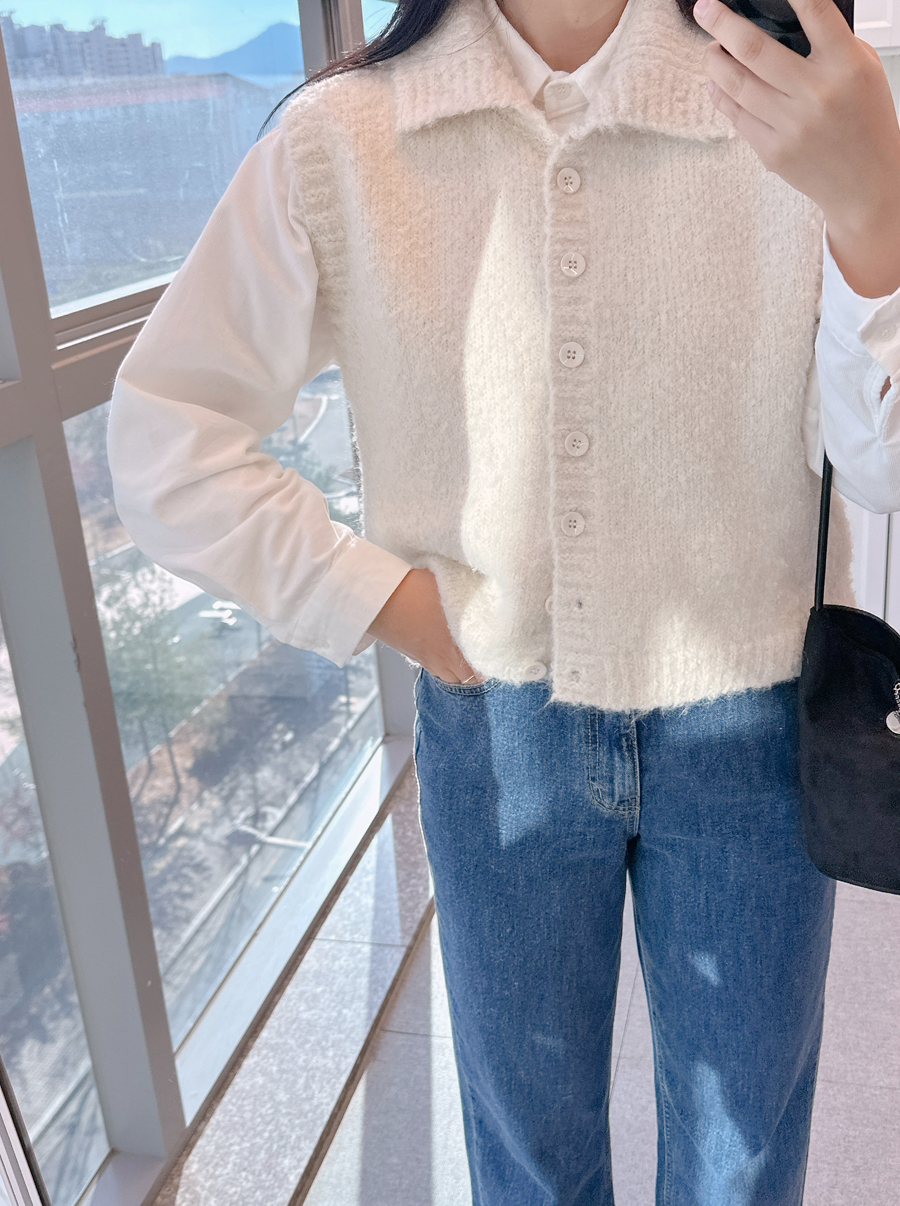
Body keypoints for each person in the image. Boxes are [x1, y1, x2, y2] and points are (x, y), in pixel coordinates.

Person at [107, 0, 900, 1201]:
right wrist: (384, 601)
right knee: (529, 1160)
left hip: (756, 724)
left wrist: (873, 214)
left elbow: (881, 469)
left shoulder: (792, 95)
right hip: (497, 727)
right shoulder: (344, 138)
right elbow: (166, 436)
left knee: (741, 1161)